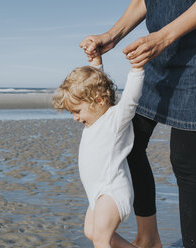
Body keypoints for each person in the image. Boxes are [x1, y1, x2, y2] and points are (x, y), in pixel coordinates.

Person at [79, 0, 196, 247]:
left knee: (185, 159)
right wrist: (112, 35)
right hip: (158, 54)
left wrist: (163, 37)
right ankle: (149, 238)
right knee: (129, 144)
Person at [52, 52, 144, 247]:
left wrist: (136, 69)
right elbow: (95, 83)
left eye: (77, 111)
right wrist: (96, 63)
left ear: (98, 101)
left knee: (101, 239)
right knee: (91, 232)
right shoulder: (93, 121)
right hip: (96, 194)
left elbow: (130, 100)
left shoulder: (115, 120)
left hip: (112, 192)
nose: (75, 118)